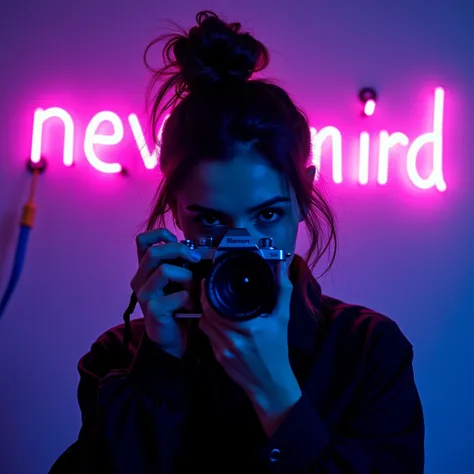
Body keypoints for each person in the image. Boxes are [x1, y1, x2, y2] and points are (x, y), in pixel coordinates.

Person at [49, 10, 424, 474]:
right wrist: (160, 368)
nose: (241, 245)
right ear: (177, 214)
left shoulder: (368, 351)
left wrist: (277, 396)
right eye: (211, 221)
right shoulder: (118, 359)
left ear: (304, 197)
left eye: (267, 215)